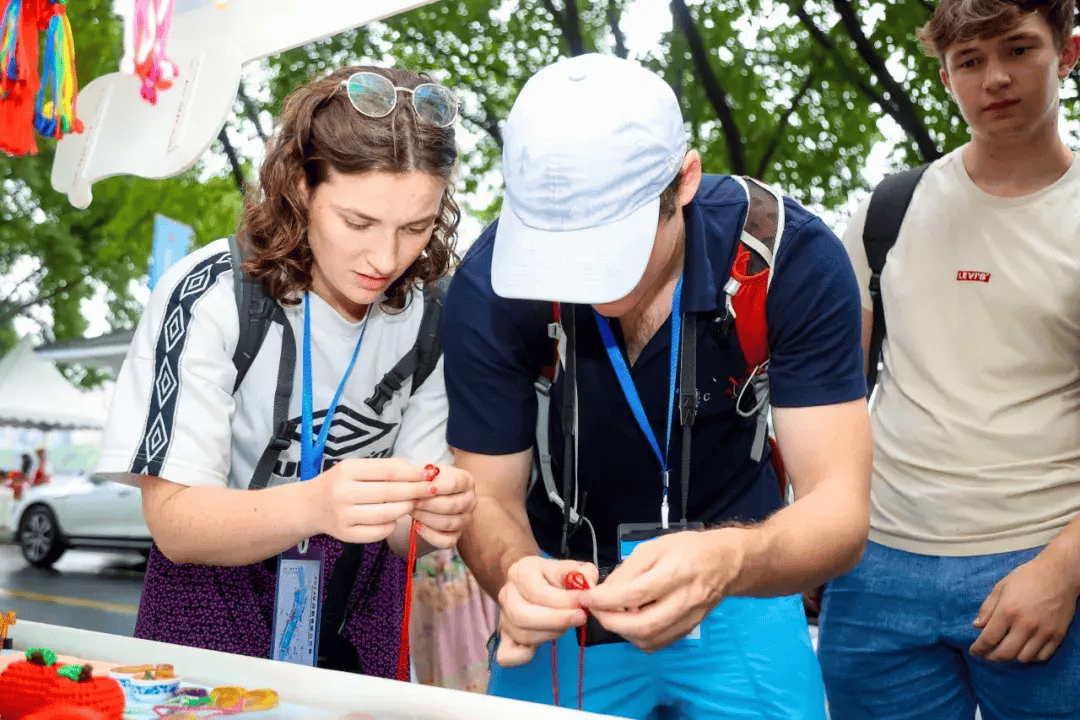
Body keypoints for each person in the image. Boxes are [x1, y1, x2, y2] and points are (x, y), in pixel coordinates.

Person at [443, 53, 872, 719]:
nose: (584, 277)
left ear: (686, 180)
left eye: (611, 241)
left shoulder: (791, 258)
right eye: (560, 248)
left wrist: (727, 560)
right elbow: (488, 497)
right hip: (567, 586)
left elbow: (840, 512)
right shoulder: (490, 284)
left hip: (743, 581)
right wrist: (513, 575)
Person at [96, 65, 476, 679]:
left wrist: (437, 521)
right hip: (210, 596)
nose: (386, 258)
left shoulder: (434, 315)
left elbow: (410, 538)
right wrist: (317, 506)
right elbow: (175, 524)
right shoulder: (211, 295)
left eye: (415, 227)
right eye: (358, 223)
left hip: (357, 609)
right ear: (300, 186)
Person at [818, 2, 1080, 718]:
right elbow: (832, 398)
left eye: (1018, 50)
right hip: (873, 569)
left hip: (1039, 564)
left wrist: (1065, 569)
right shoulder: (888, 210)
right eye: (970, 60)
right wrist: (818, 529)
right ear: (945, 77)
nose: (995, 77)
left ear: (1067, 53)